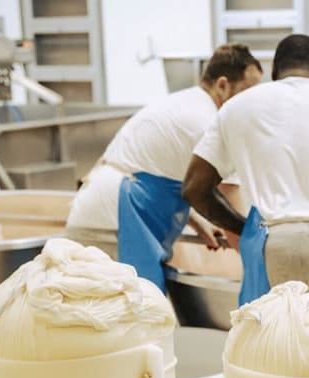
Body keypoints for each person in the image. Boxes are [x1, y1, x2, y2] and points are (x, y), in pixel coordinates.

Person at [182, 33, 309, 306]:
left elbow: (194, 188)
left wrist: (244, 229)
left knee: (272, 331)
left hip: (273, 242)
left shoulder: (237, 107)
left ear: (274, 73)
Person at [65, 43, 262, 291]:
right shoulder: (207, 123)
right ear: (223, 85)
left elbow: (167, 172)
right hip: (112, 224)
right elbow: (228, 199)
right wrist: (256, 257)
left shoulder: (186, 103)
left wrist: (198, 222)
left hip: (101, 212)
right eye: (247, 93)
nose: (252, 104)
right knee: (123, 305)